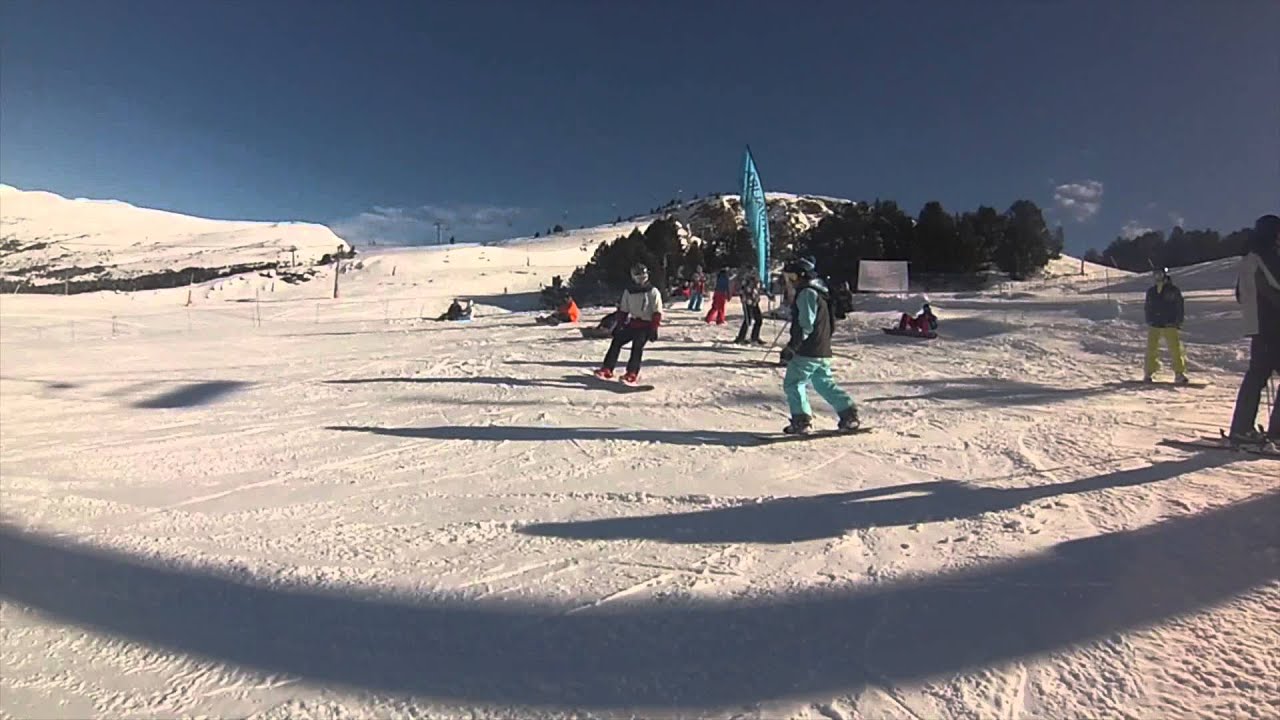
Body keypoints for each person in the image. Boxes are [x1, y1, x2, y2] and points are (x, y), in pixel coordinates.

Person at [779, 257, 860, 434]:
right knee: (823, 383)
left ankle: (801, 420)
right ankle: (848, 414)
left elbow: (806, 323)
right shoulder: (822, 292)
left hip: (808, 349)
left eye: (792, 277)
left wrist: (793, 346)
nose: (791, 281)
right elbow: (830, 323)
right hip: (822, 348)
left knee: (793, 383)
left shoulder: (807, 293)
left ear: (802, 276)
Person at [1227, 214, 1280, 444]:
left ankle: (1241, 429)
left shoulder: (1249, 258)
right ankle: (1277, 433)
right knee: (1257, 376)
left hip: (1259, 327)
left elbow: (1240, 295)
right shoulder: (1268, 255)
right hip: (1275, 325)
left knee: (1256, 376)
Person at [595, 263, 663, 385]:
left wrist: (654, 328)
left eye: (644, 274)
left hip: (646, 325)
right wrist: (619, 325)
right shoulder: (629, 291)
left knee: (637, 346)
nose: (641, 278)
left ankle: (632, 372)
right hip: (633, 324)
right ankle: (607, 368)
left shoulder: (652, 291)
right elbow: (624, 310)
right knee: (617, 341)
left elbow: (657, 311)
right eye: (638, 275)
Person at [1143, 267, 1188, 384]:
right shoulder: (1152, 291)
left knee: (1175, 348)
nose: (1157, 277)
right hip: (1155, 323)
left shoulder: (1173, 290)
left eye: (1160, 274)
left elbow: (1179, 306)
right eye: (1155, 275)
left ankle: (1179, 373)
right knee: (1151, 348)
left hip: (1170, 323)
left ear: (1165, 275)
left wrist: (1177, 321)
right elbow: (1148, 307)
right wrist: (1149, 319)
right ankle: (1148, 373)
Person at [734, 270, 765, 344]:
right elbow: (742, 290)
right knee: (748, 320)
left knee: (759, 319)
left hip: (754, 302)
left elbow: (762, 289)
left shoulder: (758, 282)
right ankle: (741, 338)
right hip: (748, 302)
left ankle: (755, 337)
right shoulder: (747, 282)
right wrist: (743, 298)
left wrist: (770, 295)